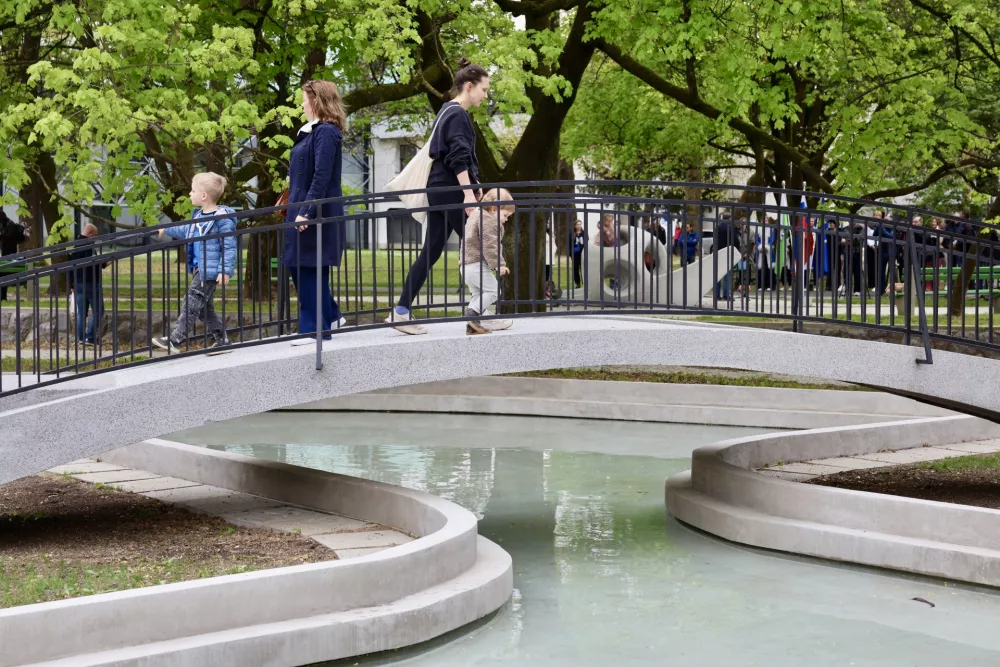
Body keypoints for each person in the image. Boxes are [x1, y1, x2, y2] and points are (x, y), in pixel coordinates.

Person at [387, 58, 490, 335]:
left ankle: (400, 311)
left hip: (439, 190)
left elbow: (456, 157)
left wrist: (473, 184)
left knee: (430, 252)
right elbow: (457, 157)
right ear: (469, 86)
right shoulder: (457, 115)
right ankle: (482, 312)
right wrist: (469, 194)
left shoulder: (446, 110)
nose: (485, 95)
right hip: (451, 191)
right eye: (484, 89)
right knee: (479, 246)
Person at [282, 79, 348, 339]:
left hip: (314, 213)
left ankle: (314, 332)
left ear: (316, 100)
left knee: (308, 268)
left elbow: (322, 175)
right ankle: (330, 317)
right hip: (301, 210)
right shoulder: (311, 131)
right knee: (298, 266)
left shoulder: (326, 132)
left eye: (304, 98)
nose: (301, 103)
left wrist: (307, 211)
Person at [152, 172, 237, 351]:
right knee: (204, 309)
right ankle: (222, 340)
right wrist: (165, 229)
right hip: (200, 269)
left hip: (211, 270)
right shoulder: (198, 217)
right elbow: (184, 230)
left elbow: (229, 246)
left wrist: (225, 270)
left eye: (192, 191)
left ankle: (176, 339)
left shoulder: (222, 219)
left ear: (204, 195)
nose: (190, 194)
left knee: (191, 300)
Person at [462, 188, 513, 335]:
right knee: (493, 291)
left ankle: (472, 326)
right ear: (494, 208)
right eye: (505, 215)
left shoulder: (476, 215)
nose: (507, 219)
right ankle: (472, 314)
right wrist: (499, 264)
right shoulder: (489, 221)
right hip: (476, 264)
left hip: (466, 265)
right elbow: (490, 245)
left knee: (477, 295)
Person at [68, 223, 105, 346]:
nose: (95, 239)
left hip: (77, 283)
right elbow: (93, 262)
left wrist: (71, 284)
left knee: (81, 313)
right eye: (94, 236)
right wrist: (104, 263)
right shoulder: (88, 245)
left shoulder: (75, 245)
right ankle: (90, 337)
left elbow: (70, 265)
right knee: (98, 311)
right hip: (91, 282)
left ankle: (80, 337)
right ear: (90, 234)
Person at [0, 211, 30, 302]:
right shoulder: (8, 226)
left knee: (2, 273)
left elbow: (6, 239)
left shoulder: (9, 227)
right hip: (10, 258)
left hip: (9, 258)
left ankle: (3, 297)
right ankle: (3, 297)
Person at [572, 219, 585, 287]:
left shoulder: (584, 233)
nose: (579, 226)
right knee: (575, 269)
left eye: (580, 224)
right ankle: (577, 283)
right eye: (577, 224)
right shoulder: (572, 234)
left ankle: (585, 282)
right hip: (575, 255)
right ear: (575, 225)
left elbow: (587, 243)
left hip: (582, 254)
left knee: (583, 268)